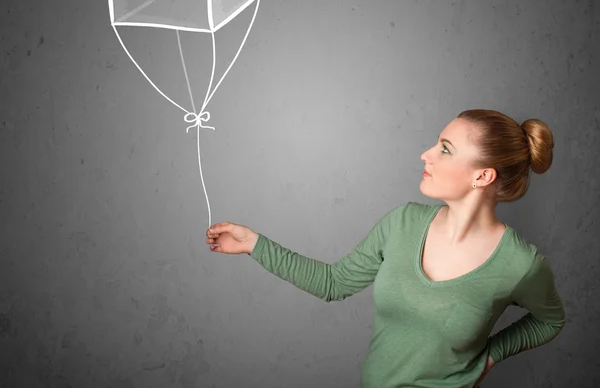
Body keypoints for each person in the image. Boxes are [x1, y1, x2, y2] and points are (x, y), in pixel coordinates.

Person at [204, 109, 566, 388]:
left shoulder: (520, 263)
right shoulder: (402, 223)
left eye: (445, 149)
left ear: (482, 176)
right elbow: (334, 283)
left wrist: (490, 356)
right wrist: (254, 244)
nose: (426, 154)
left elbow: (550, 321)